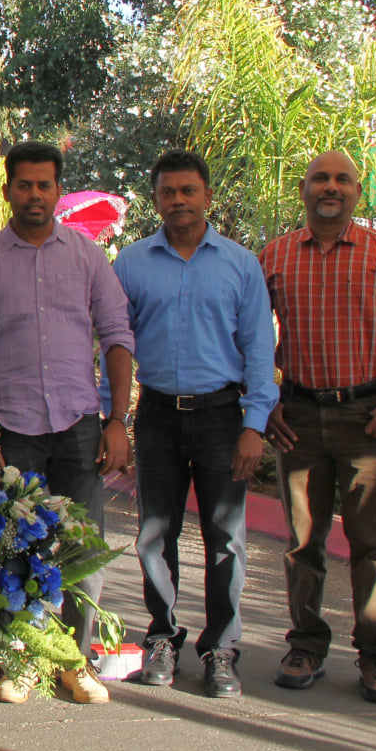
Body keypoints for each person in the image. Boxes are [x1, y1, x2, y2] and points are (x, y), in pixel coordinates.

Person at [0, 140, 135, 705]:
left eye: (44, 185)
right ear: (8, 191)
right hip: (14, 428)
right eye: (24, 185)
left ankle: (75, 660)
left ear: (57, 190)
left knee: (83, 546)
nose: (35, 194)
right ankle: (22, 658)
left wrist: (118, 421)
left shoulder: (86, 257)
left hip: (79, 423)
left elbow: (118, 337)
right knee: (13, 546)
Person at [260, 150, 376, 706]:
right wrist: (264, 403)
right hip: (300, 420)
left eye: (342, 179)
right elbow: (245, 339)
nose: (330, 187)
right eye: (321, 179)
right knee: (302, 545)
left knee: (374, 548)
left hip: (372, 422)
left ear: (357, 192)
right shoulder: (276, 256)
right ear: (303, 189)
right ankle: (307, 645)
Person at [108, 151, 278, 698]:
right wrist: (116, 417)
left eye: (188, 191)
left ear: (207, 195)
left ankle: (221, 650)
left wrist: (255, 423)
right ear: (155, 199)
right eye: (167, 192)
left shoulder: (239, 264)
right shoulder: (130, 264)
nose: (178, 201)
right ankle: (162, 637)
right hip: (158, 413)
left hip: (223, 418)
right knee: (155, 534)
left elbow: (258, 347)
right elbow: (115, 344)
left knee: (225, 539)